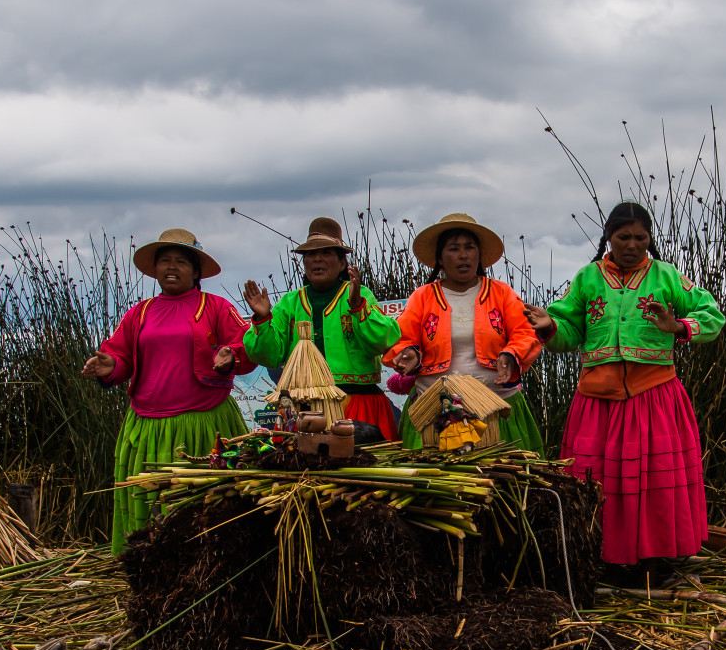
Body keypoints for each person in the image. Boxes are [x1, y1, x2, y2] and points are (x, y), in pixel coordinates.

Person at [524, 201, 724, 580]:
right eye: (623, 237)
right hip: (597, 401)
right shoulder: (588, 278)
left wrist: (678, 326)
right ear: (609, 238)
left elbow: (711, 316)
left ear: (650, 238)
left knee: (656, 480)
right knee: (596, 480)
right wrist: (550, 325)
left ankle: (655, 560)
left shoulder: (666, 277)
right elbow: (568, 334)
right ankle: (602, 558)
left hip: (654, 396)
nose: (632, 245)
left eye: (640, 238)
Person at [83, 228, 256, 553]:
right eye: (165, 261)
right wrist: (109, 367)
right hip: (149, 428)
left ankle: (212, 565)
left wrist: (231, 354)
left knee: (207, 508)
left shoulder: (216, 307)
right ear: (155, 269)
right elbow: (119, 357)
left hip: (205, 426)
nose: (171, 267)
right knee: (151, 506)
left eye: (180, 261)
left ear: (196, 270)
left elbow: (246, 345)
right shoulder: (140, 313)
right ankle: (147, 565)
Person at [385, 213, 544, 453]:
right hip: (434, 409)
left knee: (504, 481)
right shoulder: (423, 297)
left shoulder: (501, 293)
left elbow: (525, 333)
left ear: (479, 255)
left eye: (470, 248)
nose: (463, 255)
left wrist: (511, 354)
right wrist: (410, 353)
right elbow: (402, 337)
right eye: (453, 249)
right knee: (436, 483)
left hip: (497, 407)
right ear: (440, 257)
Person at [241, 218, 399, 439]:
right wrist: (263, 318)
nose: (317, 259)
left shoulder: (359, 295)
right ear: (304, 263)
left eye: (326, 253)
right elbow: (268, 356)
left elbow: (384, 341)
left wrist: (358, 308)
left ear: (342, 263)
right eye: (310, 255)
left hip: (356, 403)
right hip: (303, 408)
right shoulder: (290, 303)